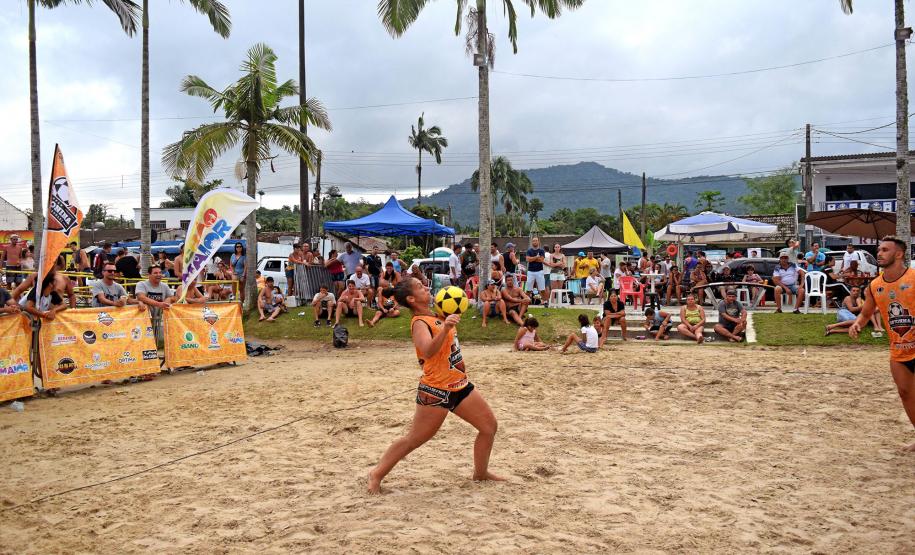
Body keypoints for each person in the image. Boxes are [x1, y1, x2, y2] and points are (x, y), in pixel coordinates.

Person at [367, 277, 502, 494]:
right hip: (435, 391)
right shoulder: (419, 321)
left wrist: (447, 322)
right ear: (411, 298)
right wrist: (446, 327)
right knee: (415, 439)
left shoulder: (437, 313)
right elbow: (427, 351)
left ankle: (480, 473)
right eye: (420, 287)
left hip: (459, 385)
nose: (426, 287)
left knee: (489, 427)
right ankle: (376, 474)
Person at [849, 236, 915, 452]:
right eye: (879, 250)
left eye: (885, 250)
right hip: (899, 350)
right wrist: (858, 323)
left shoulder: (914, 278)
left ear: (899, 254)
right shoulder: (875, 285)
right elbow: (867, 313)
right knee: (906, 394)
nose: (879, 253)